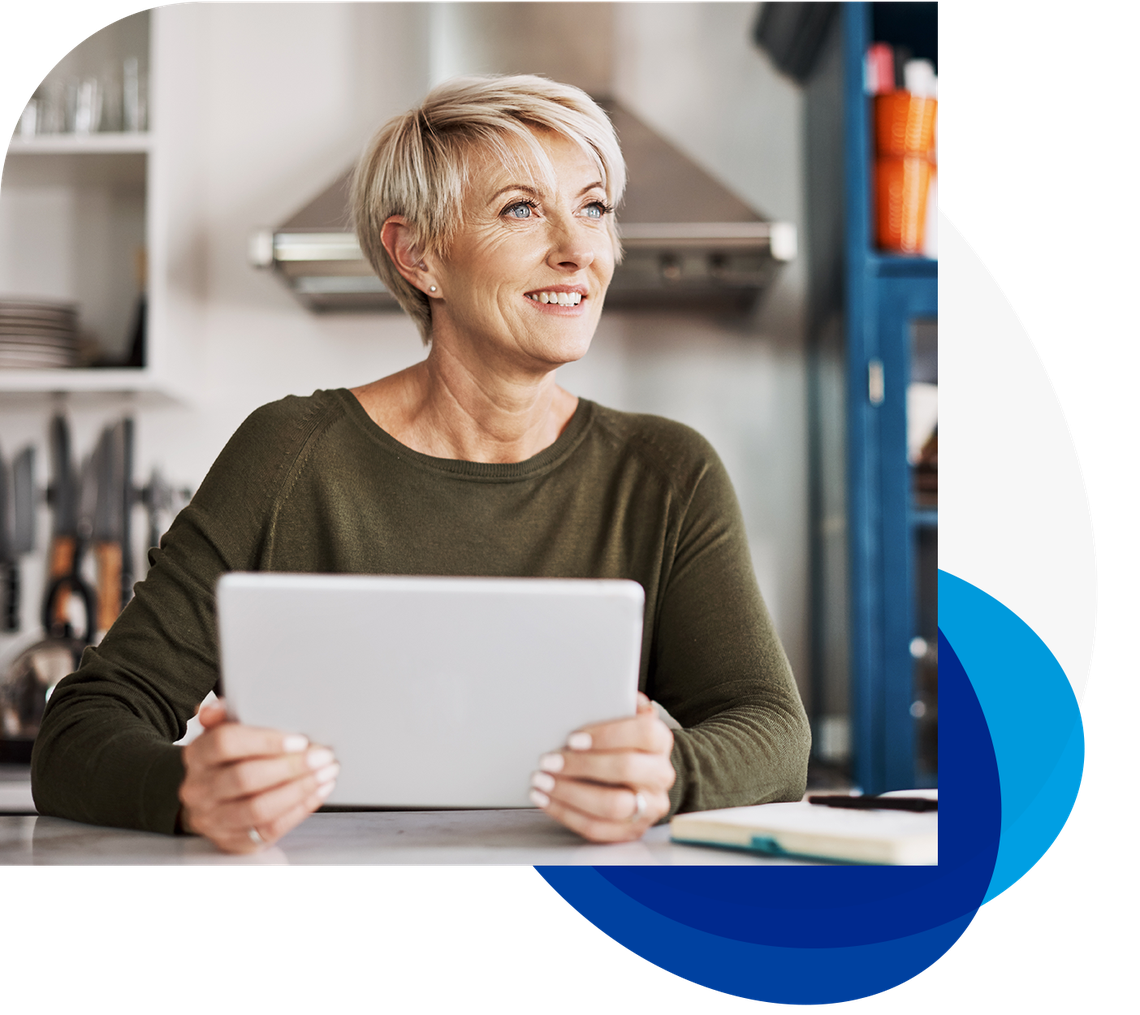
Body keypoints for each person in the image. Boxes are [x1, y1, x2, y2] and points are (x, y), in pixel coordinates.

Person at [31, 75, 810, 854]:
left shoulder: (666, 472)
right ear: (418, 256)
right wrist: (187, 788)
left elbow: (774, 731)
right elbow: (81, 728)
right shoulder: (287, 455)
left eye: (595, 207)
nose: (579, 250)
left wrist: (671, 773)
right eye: (521, 209)